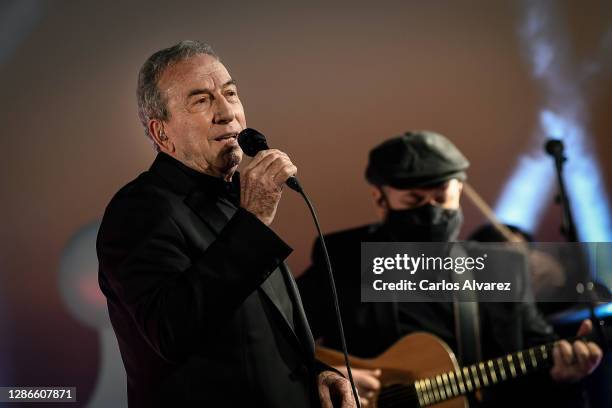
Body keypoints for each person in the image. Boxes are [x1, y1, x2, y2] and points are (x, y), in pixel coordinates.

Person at [97, 40, 353, 408]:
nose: (227, 112)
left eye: (230, 93)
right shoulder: (138, 210)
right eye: (201, 101)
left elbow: (253, 334)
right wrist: (254, 221)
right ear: (161, 133)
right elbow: (171, 331)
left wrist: (313, 372)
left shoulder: (236, 200)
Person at [297, 131, 603, 407]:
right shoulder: (343, 258)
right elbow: (280, 333)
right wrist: (324, 373)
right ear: (380, 198)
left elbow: (535, 352)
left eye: (442, 197)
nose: (431, 211)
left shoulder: (499, 267)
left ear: (460, 190)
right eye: (414, 200)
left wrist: (564, 373)